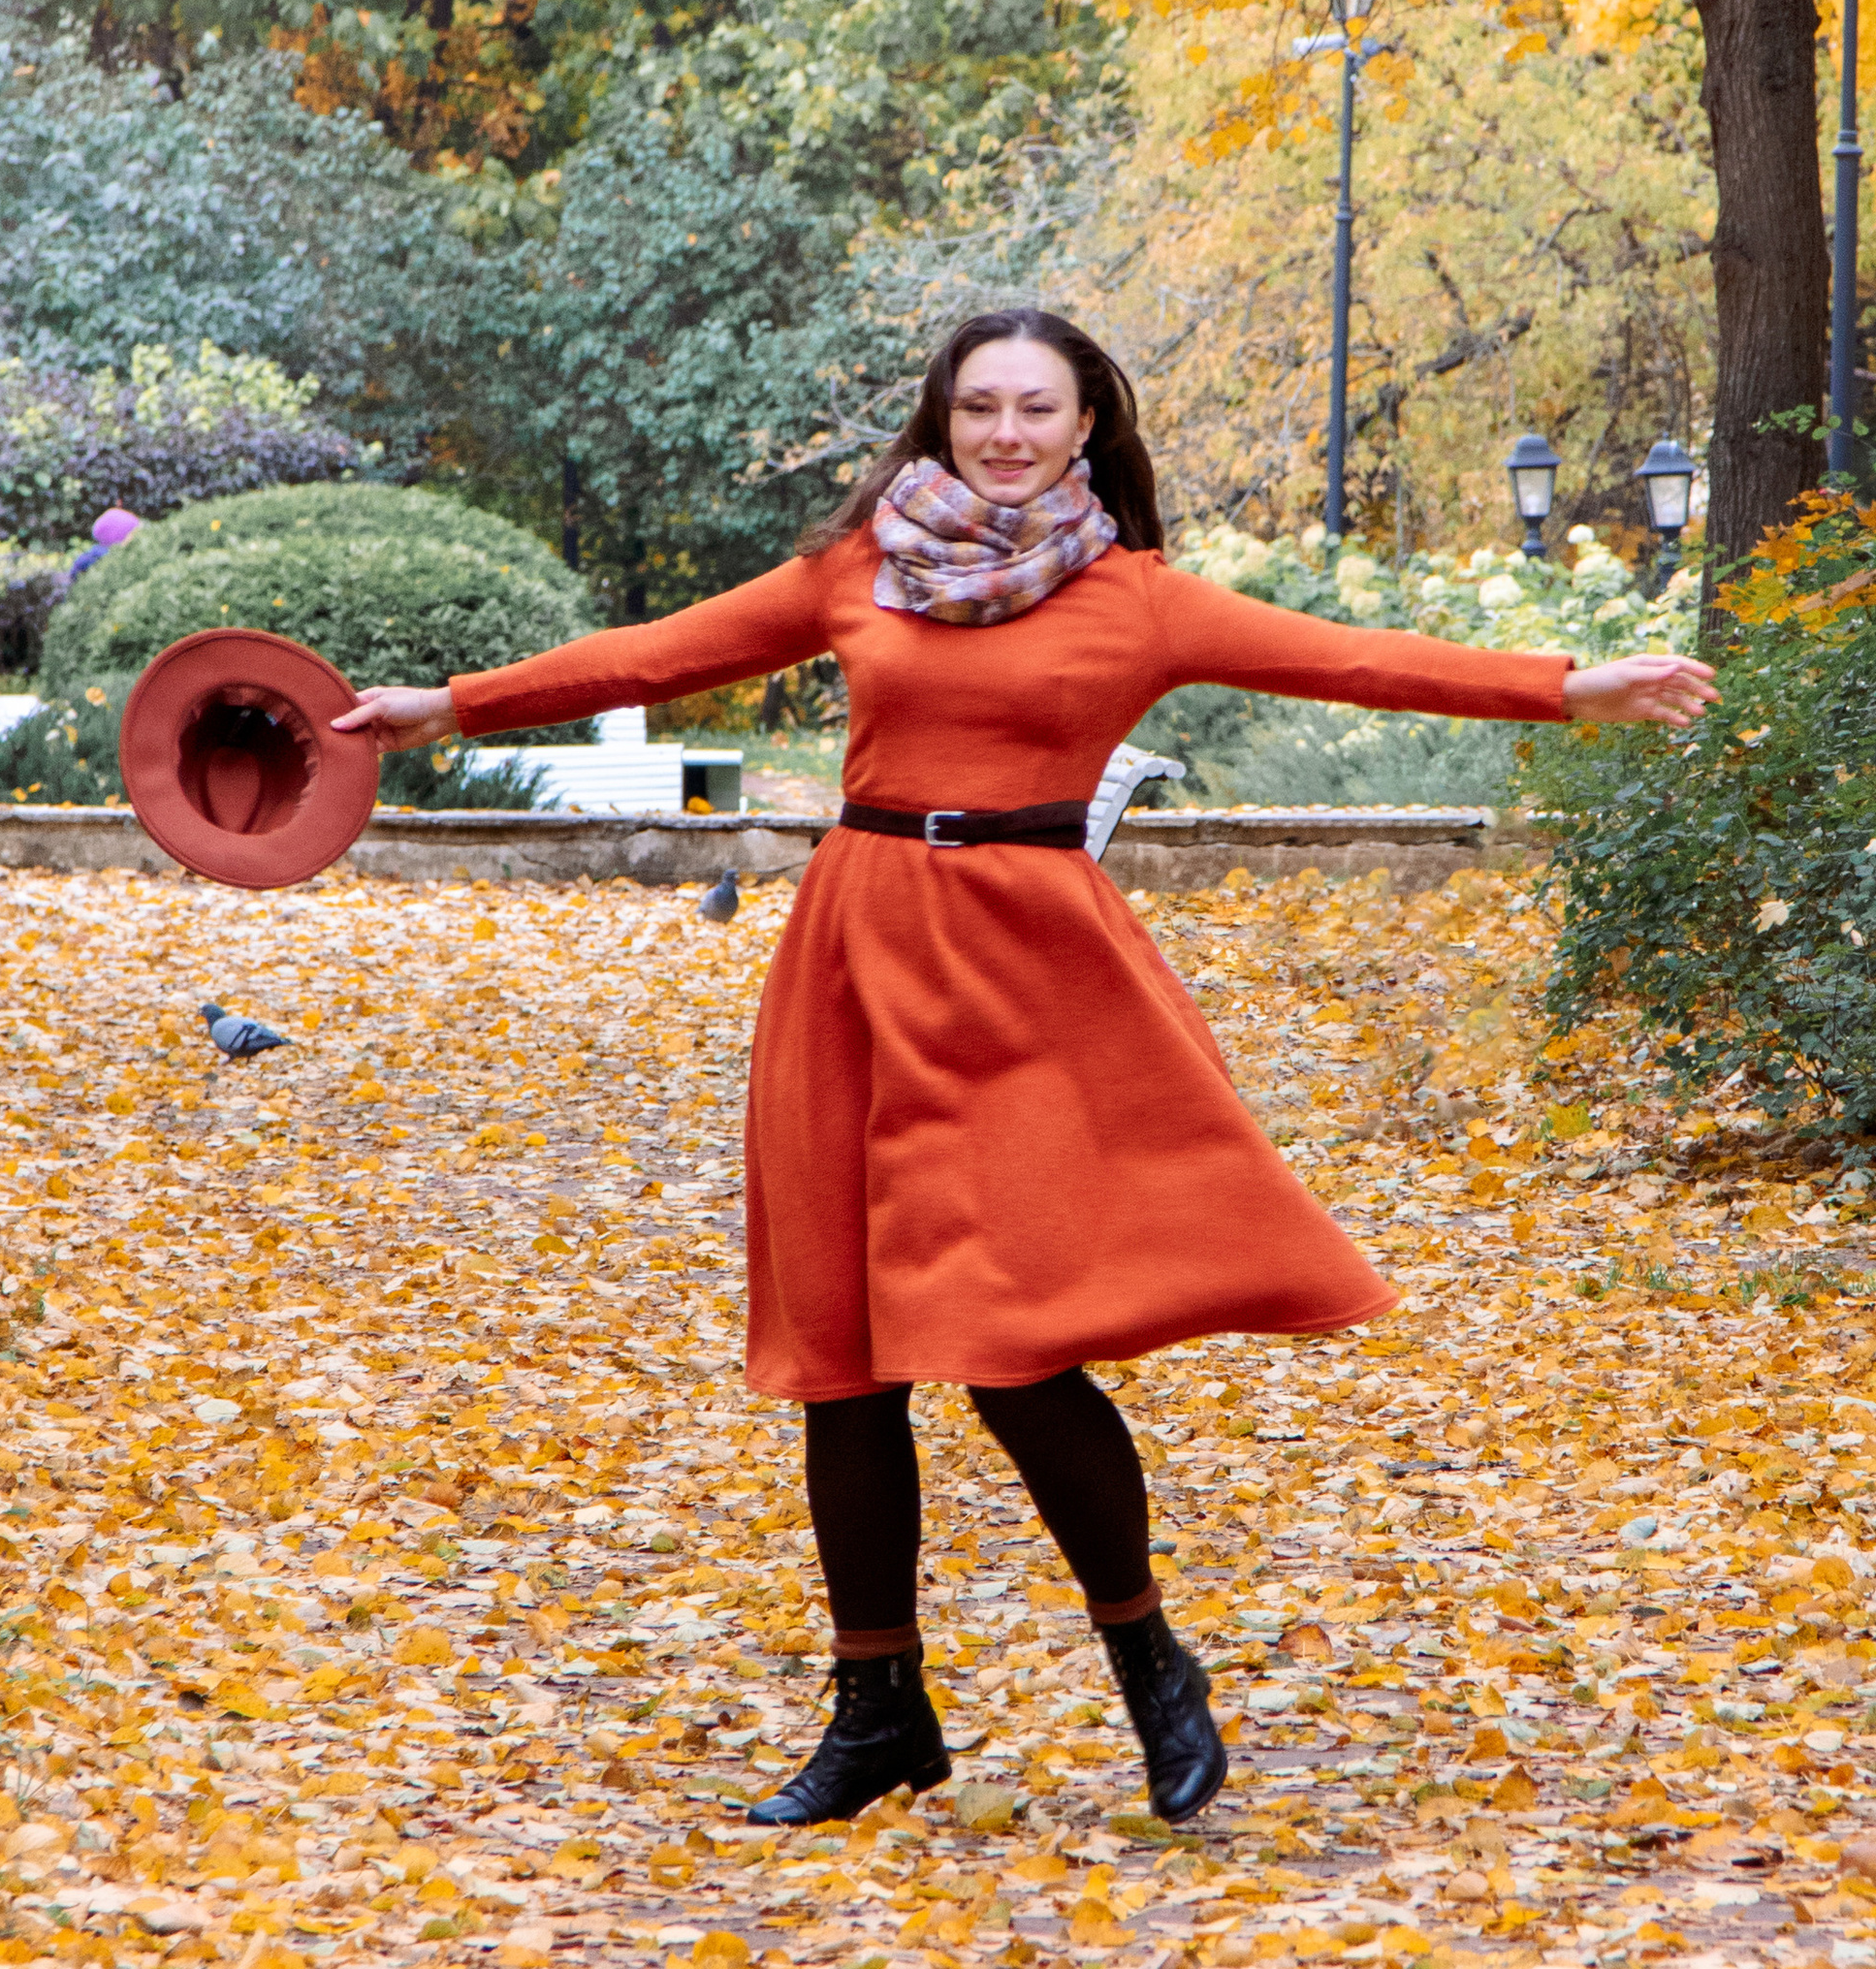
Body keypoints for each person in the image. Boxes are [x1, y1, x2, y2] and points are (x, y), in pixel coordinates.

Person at [335, 312, 1715, 1830]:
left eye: (1032, 409)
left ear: (1082, 429)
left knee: (1007, 1343)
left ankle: (1150, 1667)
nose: (1003, 431)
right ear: (939, 422)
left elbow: (1354, 662)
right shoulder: (859, 569)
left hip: (1026, 979)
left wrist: (1566, 684)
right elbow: (662, 653)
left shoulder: (1135, 599)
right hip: (855, 960)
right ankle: (879, 1715)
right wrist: (451, 707)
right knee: (842, 1360)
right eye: (977, 406)